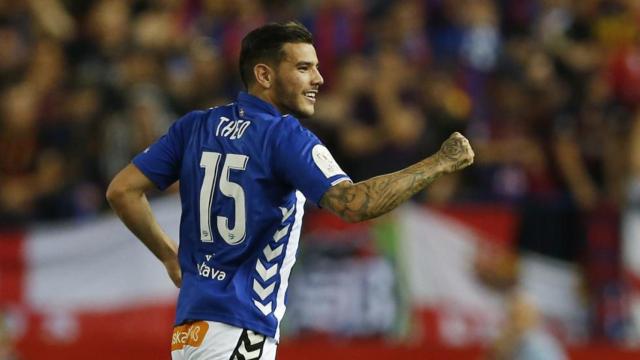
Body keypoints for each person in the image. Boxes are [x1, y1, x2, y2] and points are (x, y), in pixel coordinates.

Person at [106, 21, 474, 360]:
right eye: (303, 68)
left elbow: (122, 191)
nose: (319, 79)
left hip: (190, 336)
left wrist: (169, 256)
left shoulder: (195, 126)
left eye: (315, 66)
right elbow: (355, 204)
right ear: (264, 74)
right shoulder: (284, 136)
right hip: (239, 333)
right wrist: (440, 163)